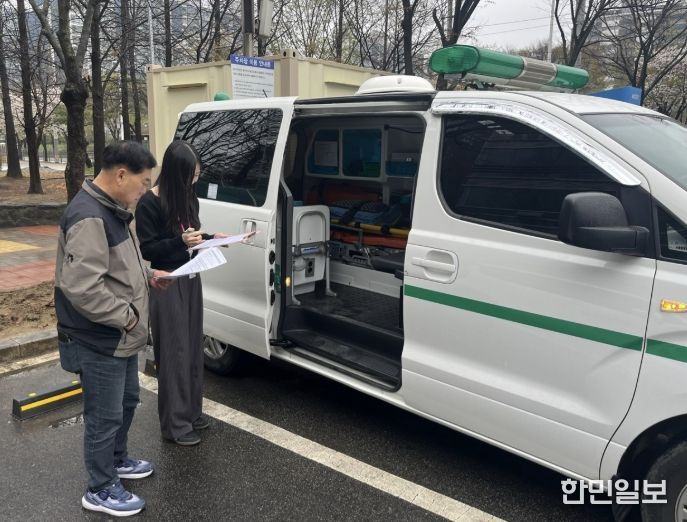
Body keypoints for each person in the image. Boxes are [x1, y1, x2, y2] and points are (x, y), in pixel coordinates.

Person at [55, 141, 173, 517]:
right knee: (104, 416)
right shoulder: (89, 215)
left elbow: (120, 267)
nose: (145, 191)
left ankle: (117, 461)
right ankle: (100, 487)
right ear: (121, 175)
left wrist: (150, 275)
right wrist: (128, 317)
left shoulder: (114, 210)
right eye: (143, 182)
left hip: (118, 334)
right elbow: (82, 288)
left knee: (125, 402)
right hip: (100, 337)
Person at [135, 140, 226, 446]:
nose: (194, 181)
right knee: (174, 353)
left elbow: (193, 236)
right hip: (166, 281)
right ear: (176, 174)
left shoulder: (188, 199)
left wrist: (212, 238)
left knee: (192, 347)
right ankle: (174, 425)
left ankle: (192, 413)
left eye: (197, 175)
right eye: (191, 176)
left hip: (191, 277)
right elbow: (148, 249)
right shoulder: (149, 203)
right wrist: (180, 243)